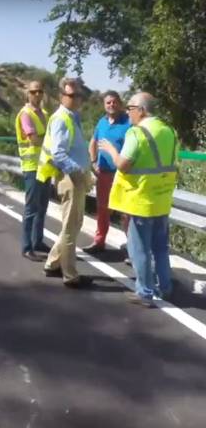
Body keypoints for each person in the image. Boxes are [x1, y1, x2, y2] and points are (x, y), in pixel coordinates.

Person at [99, 92, 179, 307]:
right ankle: (165, 287)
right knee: (161, 248)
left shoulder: (137, 133)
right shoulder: (169, 131)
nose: (128, 112)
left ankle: (144, 292)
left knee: (140, 249)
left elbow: (123, 164)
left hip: (141, 200)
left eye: (131, 108)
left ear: (141, 110)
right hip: (162, 199)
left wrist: (111, 151)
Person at [37, 77, 94, 288]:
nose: (77, 98)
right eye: (72, 95)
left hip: (76, 177)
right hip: (71, 179)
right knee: (71, 228)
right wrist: (77, 171)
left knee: (73, 224)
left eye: (79, 94)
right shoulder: (62, 118)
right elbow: (58, 153)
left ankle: (52, 263)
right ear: (62, 96)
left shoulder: (72, 116)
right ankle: (70, 275)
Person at [82, 91, 131, 255]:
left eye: (114, 102)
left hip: (123, 174)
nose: (111, 105)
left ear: (120, 103)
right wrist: (94, 161)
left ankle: (131, 247)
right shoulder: (101, 122)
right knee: (102, 208)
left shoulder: (128, 123)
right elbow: (93, 143)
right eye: (108, 102)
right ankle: (99, 241)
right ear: (104, 105)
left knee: (126, 212)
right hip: (103, 173)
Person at [15, 81, 51, 261]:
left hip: (44, 166)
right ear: (27, 94)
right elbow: (34, 140)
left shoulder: (44, 114)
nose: (37, 94)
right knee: (31, 208)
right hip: (31, 168)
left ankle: (38, 241)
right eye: (33, 92)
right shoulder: (25, 114)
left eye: (40, 91)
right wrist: (51, 140)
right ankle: (27, 247)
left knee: (43, 207)